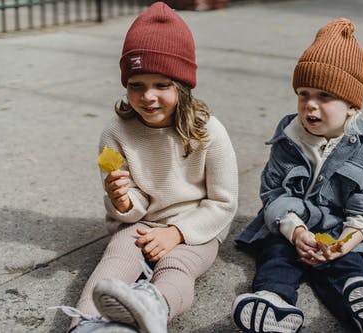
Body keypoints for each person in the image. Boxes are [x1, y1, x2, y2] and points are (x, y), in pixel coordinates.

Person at [53, 2, 238, 332]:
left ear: (182, 86)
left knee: (176, 267)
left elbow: (223, 202)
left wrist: (177, 232)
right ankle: (87, 323)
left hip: (196, 226)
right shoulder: (115, 132)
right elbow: (128, 203)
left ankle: (155, 307)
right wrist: (123, 201)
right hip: (142, 223)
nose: (147, 96)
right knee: (114, 262)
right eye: (136, 84)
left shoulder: (209, 131)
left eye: (162, 85)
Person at [232, 18, 363, 333]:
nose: (310, 104)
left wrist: (347, 241)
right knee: (277, 253)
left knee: (348, 262)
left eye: (324, 95)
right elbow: (273, 195)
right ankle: (273, 303)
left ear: (351, 105)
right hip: (291, 223)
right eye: (303, 93)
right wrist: (295, 231)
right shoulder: (287, 140)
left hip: (338, 228)